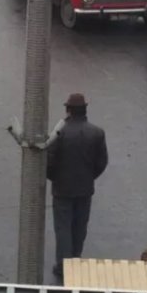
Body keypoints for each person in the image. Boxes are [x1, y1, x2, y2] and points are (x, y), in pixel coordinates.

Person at [46, 93, 108, 280]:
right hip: (85, 188)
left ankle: (64, 266)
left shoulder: (60, 134)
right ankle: (76, 259)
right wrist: (89, 177)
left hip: (62, 189)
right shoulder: (97, 133)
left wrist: (55, 178)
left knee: (63, 227)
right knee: (80, 225)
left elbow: (49, 162)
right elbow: (101, 162)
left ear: (68, 110)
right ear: (85, 110)